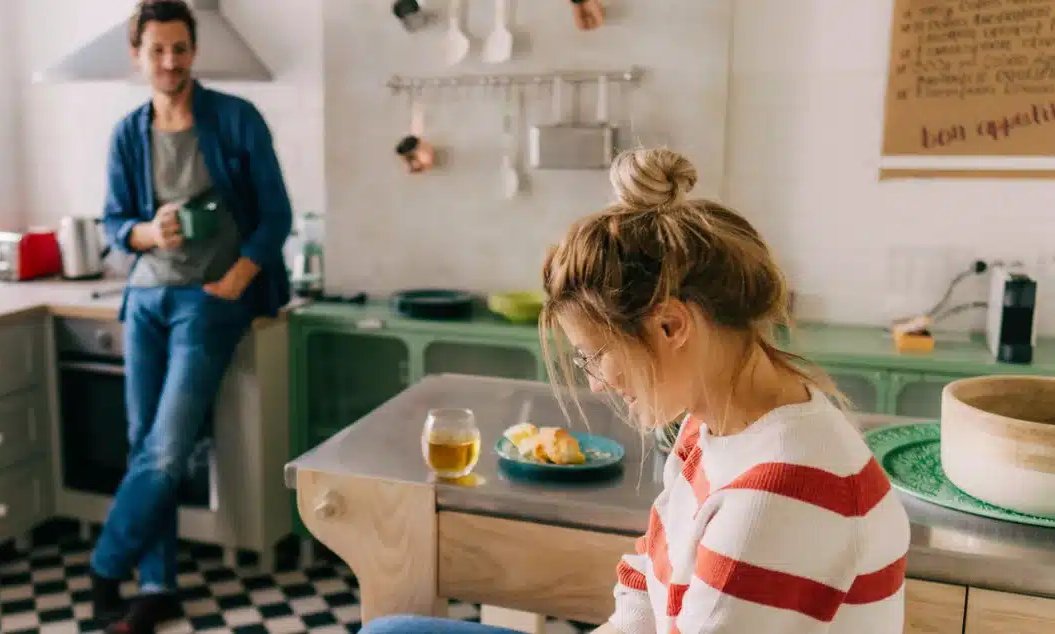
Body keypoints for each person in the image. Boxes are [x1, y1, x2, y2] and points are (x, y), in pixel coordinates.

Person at [360, 148, 911, 634]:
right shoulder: (714, 422)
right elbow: (647, 589)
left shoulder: (782, 495)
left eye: (597, 355)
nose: (597, 383)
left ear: (671, 326)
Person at [89, 1, 293, 633]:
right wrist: (149, 232)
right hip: (146, 300)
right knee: (143, 444)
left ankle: (105, 563)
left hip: (207, 304)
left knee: (169, 447)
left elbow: (276, 215)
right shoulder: (128, 133)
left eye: (179, 49)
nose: (169, 62)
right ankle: (157, 585)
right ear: (137, 55)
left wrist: (238, 277)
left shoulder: (235, 119)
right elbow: (115, 225)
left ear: (193, 51)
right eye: (157, 51)